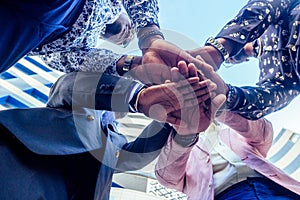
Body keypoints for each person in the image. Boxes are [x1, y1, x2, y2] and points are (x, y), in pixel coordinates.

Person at [0, 62, 219, 199]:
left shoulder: (116, 138)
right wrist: (137, 96)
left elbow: (134, 158)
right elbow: (72, 86)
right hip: (15, 167)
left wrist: (174, 118)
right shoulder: (75, 100)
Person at [153, 60, 300, 200]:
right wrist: (185, 134)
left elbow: (264, 133)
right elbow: (167, 177)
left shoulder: (233, 131)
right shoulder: (176, 146)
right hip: (224, 195)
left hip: (275, 189)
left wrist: (220, 107)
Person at [1, 0, 206, 85]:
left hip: (24, 34)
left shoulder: (85, 44)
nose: (127, 36)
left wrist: (139, 66)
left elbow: (81, 62)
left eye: (124, 42)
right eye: (131, 30)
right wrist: (149, 35)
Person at [186, 0, 300, 119]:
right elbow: (272, 98)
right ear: (244, 61)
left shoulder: (276, 17)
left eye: (227, 56)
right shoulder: (272, 74)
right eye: (228, 62)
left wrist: (220, 47)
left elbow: (268, 5)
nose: (229, 58)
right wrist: (227, 93)